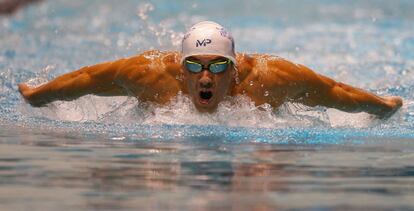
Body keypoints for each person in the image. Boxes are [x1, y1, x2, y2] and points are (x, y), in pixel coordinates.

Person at [18, 21, 402, 118]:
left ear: (234, 70)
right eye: (195, 67)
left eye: (219, 66)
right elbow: (87, 79)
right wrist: (38, 96)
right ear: (180, 68)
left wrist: (381, 106)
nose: (206, 78)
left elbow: (334, 91)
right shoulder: (148, 75)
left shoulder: (271, 80)